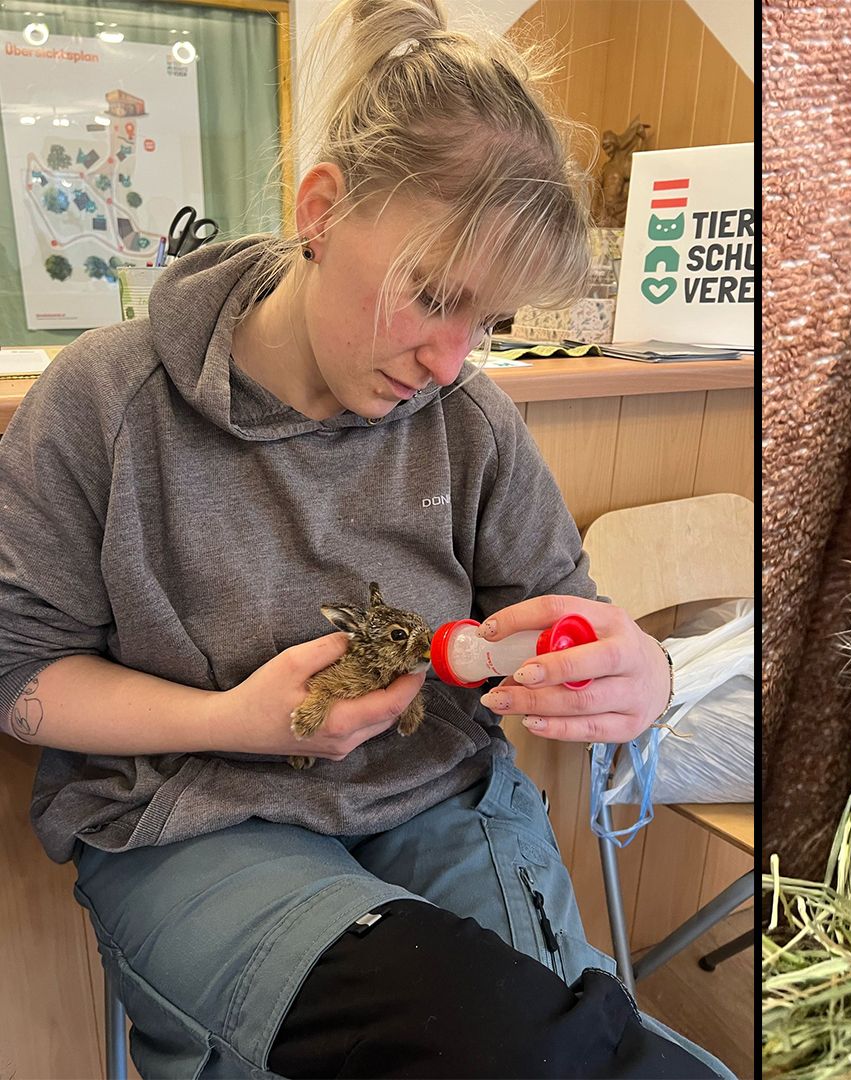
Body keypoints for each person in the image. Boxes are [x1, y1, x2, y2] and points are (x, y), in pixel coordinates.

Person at [0, 1, 732, 1076]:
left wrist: (635, 672)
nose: (449, 360)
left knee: (580, 1043)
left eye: (484, 322)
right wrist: (237, 721)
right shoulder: (105, 404)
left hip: (439, 799)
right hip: (192, 822)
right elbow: (20, 675)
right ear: (323, 209)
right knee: (499, 1039)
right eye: (430, 296)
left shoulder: (471, 421)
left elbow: (567, 622)